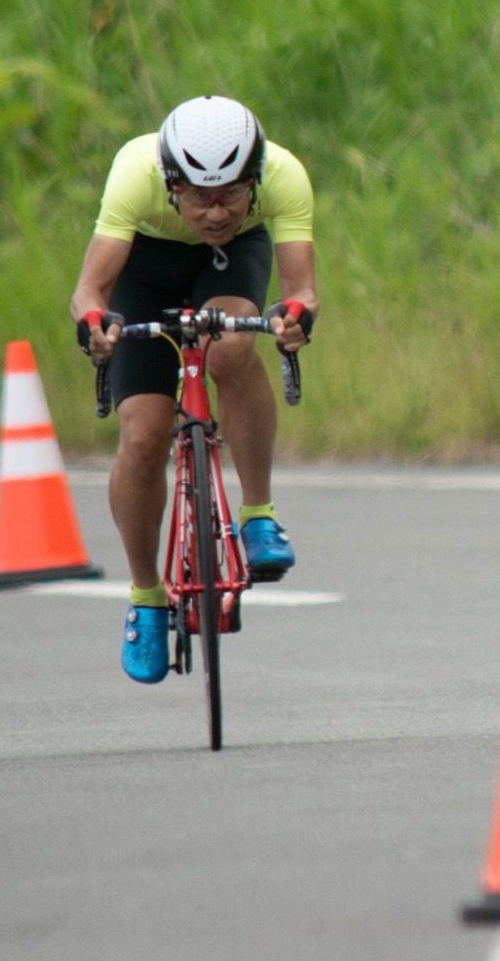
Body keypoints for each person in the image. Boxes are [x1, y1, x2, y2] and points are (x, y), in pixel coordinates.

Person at [67, 96, 318, 683]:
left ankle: (258, 515)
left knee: (230, 346)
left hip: (232, 261)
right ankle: (146, 596)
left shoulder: (284, 174)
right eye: (199, 196)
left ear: (255, 179)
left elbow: (302, 290)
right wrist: (95, 326)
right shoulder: (135, 173)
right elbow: (89, 292)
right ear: (169, 182)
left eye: (232, 193)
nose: (215, 212)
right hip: (144, 269)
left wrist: (294, 319)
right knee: (144, 435)